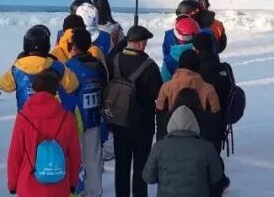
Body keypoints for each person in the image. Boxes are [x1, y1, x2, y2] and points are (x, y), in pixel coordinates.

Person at [6, 69, 82, 196]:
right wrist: (73, 183)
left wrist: (12, 184)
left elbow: (15, 154)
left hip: (29, 185)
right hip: (59, 185)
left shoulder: (23, 117)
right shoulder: (67, 118)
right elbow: (75, 155)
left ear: (34, 88)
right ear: (55, 90)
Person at [108, 25, 162, 197]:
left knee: (121, 166)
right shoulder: (149, 66)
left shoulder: (114, 60)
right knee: (140, 167)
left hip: (119, 122)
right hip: (142, 125)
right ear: (141, 43)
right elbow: (158, 94)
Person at [142, 105, 224, 197]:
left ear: (171, 123)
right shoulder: (207, 147)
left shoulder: (159, 147)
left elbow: (148, 177)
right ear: (194, 124)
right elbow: (216, 177)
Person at [66, 29, 108, 197]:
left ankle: (76, 190)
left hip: (74, 119)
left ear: (74, 46)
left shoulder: (69, 66)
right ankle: (95, 192)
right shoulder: (98, 65)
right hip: (94, 118)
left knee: (74, 158)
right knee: (94, 157)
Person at [0, 25, 79, 111]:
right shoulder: (58, 66)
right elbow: (73, 85)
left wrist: (17, 62)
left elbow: (4, 86)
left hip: (26, 116)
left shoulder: (17, 68)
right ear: (47, 45)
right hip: (51, 114)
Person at [156, 50, 221, 140]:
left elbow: (160, 117)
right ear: (198, 66)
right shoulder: (209, 89)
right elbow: (215, 119)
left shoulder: (165, 88)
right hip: (200, 141)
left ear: (179, 65)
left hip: (171, 139)